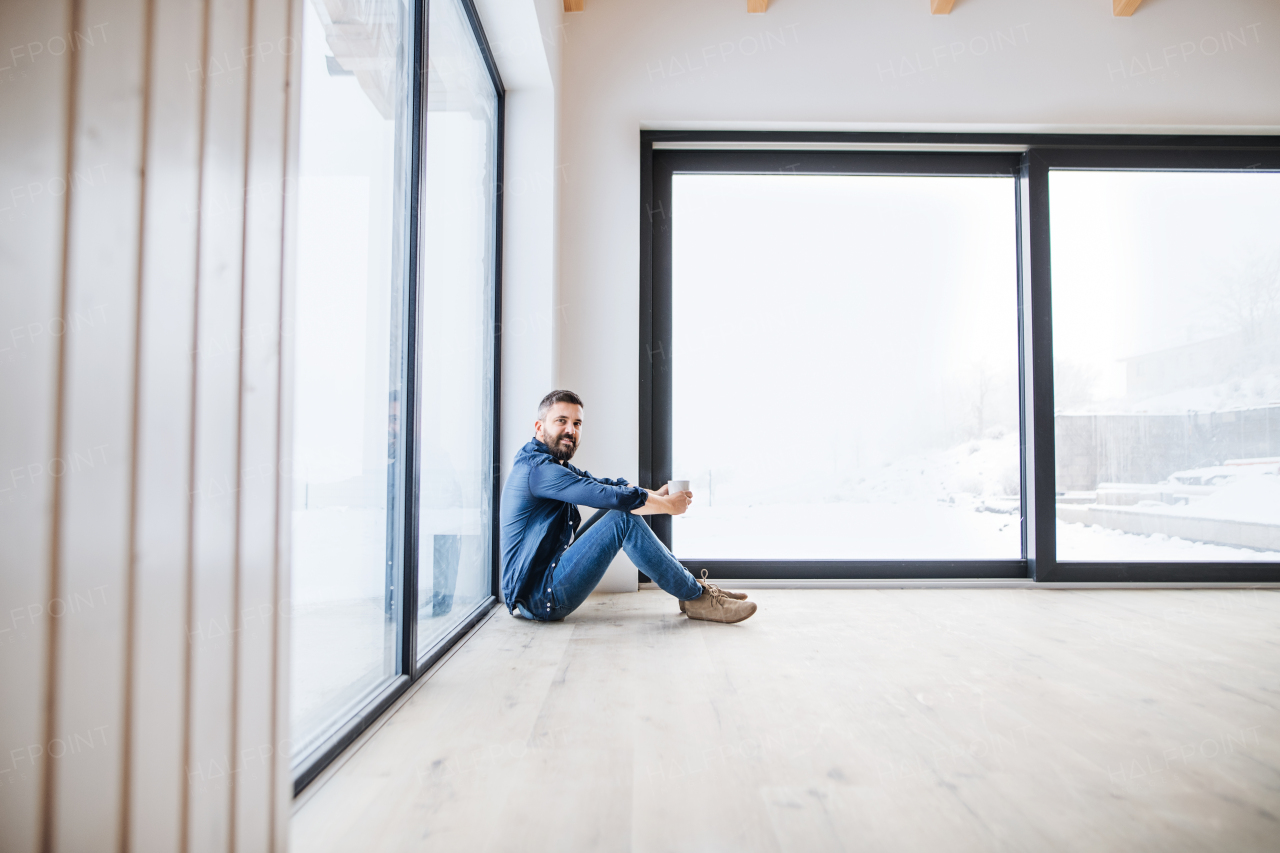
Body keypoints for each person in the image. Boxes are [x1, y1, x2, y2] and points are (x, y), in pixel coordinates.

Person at [500, 390, 757, 624]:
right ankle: (695, 596)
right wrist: (667, 506)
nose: (571, 430)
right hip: (541, 598)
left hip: (545, 582)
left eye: (577, 423)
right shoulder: (539, 471)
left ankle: (693, 590)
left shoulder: (549, 464)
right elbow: (605, 495)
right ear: (539, 427)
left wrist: (653, 495)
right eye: (561, 421)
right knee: (621, 519)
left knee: (619, 512)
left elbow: (606, 485)